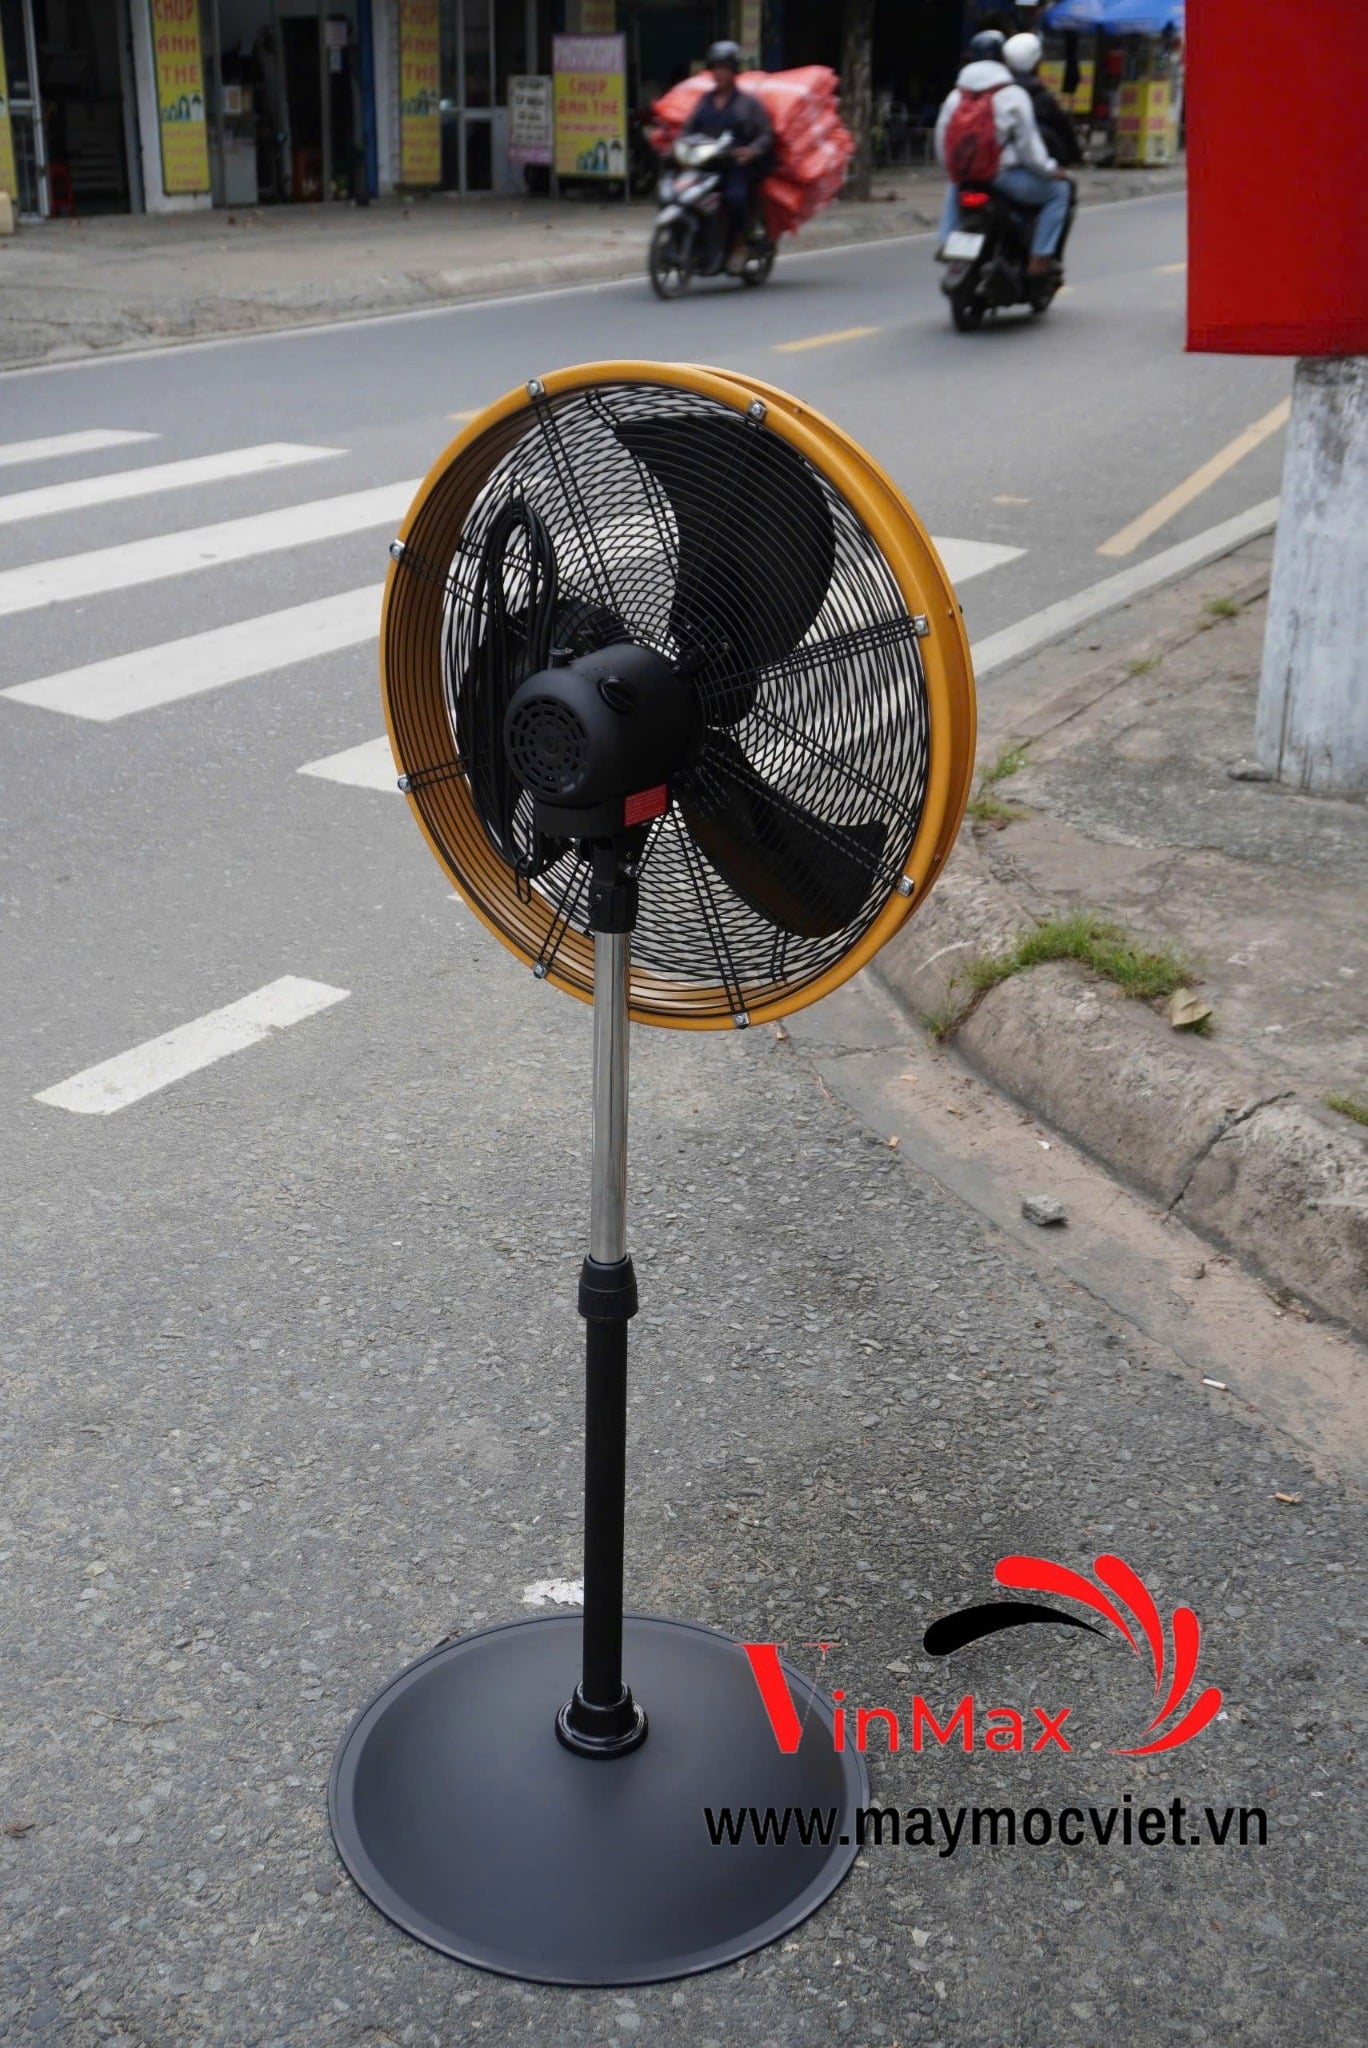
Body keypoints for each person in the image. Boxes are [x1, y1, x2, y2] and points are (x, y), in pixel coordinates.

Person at [933, 30, 1072, 278]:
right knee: (1059, 192)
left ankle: (946, 239)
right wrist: (1051, 170)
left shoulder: (956, 96)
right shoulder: (1013, 95)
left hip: (967, 176)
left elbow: (942, 140)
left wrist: (953, 170)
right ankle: (1040, 257)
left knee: (955, 183)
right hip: (1003, 178)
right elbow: (1030, 151)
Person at [683, 39, 773, 274]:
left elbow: (766, 133)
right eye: (715, 68)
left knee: (735, 197)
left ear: (733, 71)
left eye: (724, 68)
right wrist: (677, 145)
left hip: (736, 167)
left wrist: (752, 151)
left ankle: (739, 244)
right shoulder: (704, 101)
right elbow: (688, 129)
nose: (719, 73)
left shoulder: (748, 104)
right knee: (684, 194)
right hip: (706, 165)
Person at [1003, 31, 1081, 169]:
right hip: (1033, 165)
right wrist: (1075, 156)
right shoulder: (1041, 98)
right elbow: (1064, 129)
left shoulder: (997, 92)